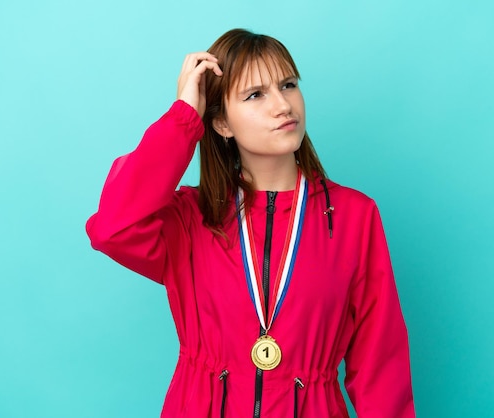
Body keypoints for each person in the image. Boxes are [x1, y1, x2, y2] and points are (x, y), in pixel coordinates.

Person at [86, 28, 415, 418]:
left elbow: (381, 364)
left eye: (288, 85)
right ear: (222, 123)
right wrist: (183, 119)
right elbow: (112, 227)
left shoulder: (353, 216)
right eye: (255, 94)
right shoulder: (192, 218)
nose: (283, 105)